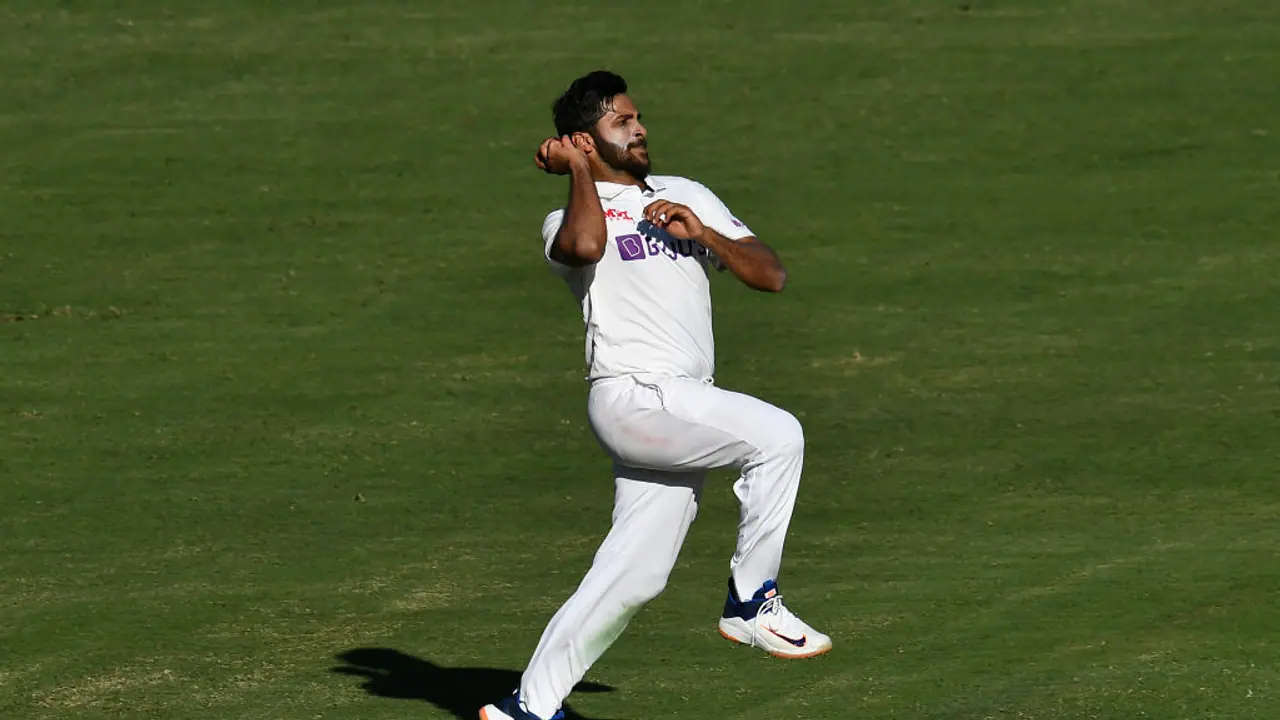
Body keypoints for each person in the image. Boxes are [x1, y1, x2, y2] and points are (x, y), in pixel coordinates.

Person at [480, 70, 831, 720]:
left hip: (680, 406)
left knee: (635, 574)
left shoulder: (684, 193)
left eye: (637, 118)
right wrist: (580, 172)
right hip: (634, 397)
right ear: (584, 141)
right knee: (779, 435)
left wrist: (705, 235)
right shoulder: (566, 216)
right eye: (621, 121)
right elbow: (585, 246)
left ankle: (526, 707)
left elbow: (770, 274)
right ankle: (752, 603)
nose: (639, 129)